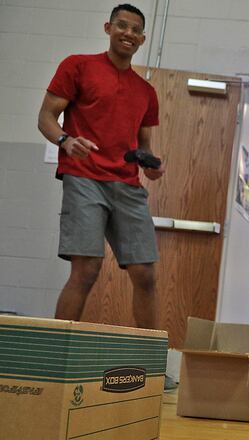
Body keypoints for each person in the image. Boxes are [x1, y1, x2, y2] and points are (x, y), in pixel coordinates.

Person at [37, 4, 163, 329]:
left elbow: (144, 145)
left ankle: (148, 362)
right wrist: (65, 141)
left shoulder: (146, 92)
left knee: (145, 274)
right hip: (84, 178)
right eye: (122, 26)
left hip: (127, 184)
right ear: (108, 28)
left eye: (136, 30)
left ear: (143, 39)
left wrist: (151, 166)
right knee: (87, 268)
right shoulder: (78, 66)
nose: (128, 34)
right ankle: (57, 354)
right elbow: (46, 118)